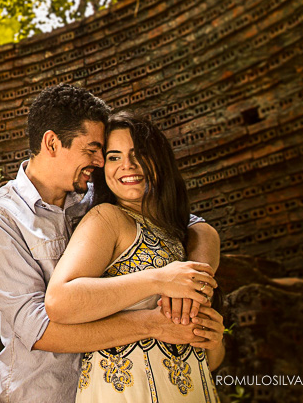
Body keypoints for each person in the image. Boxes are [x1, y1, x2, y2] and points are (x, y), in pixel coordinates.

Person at [0, 84, 222, 403]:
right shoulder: (1, 219)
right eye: (93, 149)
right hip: (45, 395)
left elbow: (189, 224)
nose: (101, 160)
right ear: (52, 143)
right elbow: (38, 329)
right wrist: (153, 323)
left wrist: (195, 277)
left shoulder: (96, 194)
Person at [46, 111, 224, 401]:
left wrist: (213, 339)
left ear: (159, 160)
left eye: (138, 153)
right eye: (114, 157)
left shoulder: (179, 235)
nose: (127, 165)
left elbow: (208, 360)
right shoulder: (107, 218)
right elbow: (59, 301)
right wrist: (159, 280)